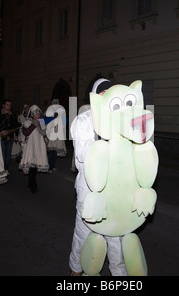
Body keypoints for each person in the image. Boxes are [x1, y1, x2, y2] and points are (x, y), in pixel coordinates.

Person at [69, 78, 127, 276]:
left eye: (110, 93)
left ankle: (120, 275)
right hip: (90, 190)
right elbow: (82, 155)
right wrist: (105, 139)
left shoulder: (120, 121)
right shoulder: (83, 121)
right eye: (103, 93)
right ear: (95, 96)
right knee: (85, 234)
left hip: (115, 190)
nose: (107, 96)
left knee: (116, 236)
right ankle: (77, 270)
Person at [18, 105, 49, 193]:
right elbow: (25, 132)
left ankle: (30, 183)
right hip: (31, 146)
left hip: (39, 146)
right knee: (32, 165)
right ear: (32, 114)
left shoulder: (42, 121)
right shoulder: (28, 121)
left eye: (39, 113)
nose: (38, 115)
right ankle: (33, 186)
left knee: (35, 165)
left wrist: (44, 132)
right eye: (36, 114)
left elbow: (44, 132)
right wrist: (33, 125)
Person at [0, 99, 21, 172]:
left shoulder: (13, 115)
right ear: (3, 105)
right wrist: (4, 116)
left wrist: (16, 135)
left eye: (10, 105)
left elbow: (16, 126)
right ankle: (1, 170)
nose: (9, 106)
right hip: (1, 137)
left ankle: (5, 169)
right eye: (7, 104)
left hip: (10, 137)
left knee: (8, 156)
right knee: (2, 155)